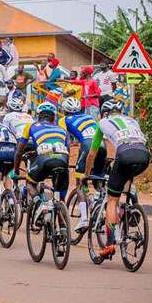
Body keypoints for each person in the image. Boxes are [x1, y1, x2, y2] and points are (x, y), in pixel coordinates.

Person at [84, 100, 151, 258]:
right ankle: (134, 207)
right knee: (127, 177)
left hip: (124, 155)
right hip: (144, 156)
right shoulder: (132, 121)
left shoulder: (102, 123)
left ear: (104, 113)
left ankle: (109, 244)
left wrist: (86, 174)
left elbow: (92, 153)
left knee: (112, 200)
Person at [58, 97, 107, 231]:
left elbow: (65, 140)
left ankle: (84, 219)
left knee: (80, 182)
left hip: (87, 146)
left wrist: (65, 159)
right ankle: (99, 201)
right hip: (102, 146)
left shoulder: (64, 120)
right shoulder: (89, 117)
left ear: (64, 111)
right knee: (97, 180)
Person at [12, 103, 69, 216]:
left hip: (44, 159)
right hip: (62, 161)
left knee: (30, 184)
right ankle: (63, 225)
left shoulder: (31, 126)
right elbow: (68, 153)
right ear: (54, 118)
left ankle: (40, 204)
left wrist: (16, 171)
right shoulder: (62, 130)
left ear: (37, 116)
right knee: (60, 197)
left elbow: (19, 152)